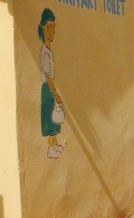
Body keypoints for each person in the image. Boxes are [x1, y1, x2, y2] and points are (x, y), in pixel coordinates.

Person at [38, 8, 64, 159]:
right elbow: (47, 76)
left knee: (54, 119)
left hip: (50, 86)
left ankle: (54, 145)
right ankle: (52, 147)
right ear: (42, 29)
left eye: (53, 27)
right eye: (49, 27)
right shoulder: (44, 52)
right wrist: (56, 94)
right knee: (49, 117)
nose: (52, 31)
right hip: (47, 88)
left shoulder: (49, 50)